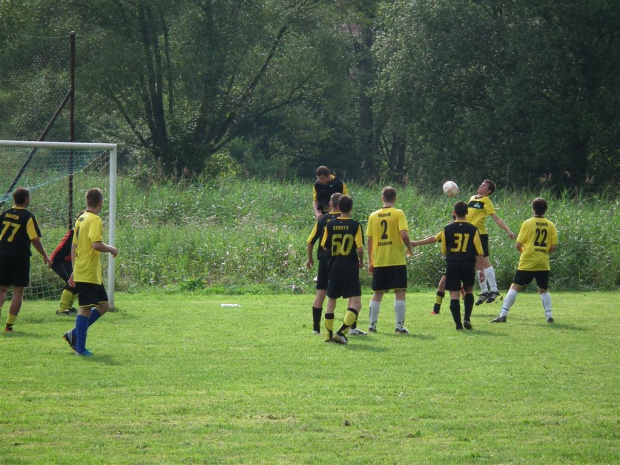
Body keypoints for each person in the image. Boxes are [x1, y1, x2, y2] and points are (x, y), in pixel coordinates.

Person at [413, 201, 485, 330]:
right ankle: (467, 319)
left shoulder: (447, 229)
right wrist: (482, 270)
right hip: (468, 263)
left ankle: (458, 324)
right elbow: (479, 252)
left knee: (454, 294)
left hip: (453, 263)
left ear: (454, 213)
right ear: (467, 213)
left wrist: (416, 243)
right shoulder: (473, 229)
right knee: (469, 291)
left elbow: (443, 247)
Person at [63, 188, 118, 356]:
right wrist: (111, 249)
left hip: (86, 270)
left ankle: (74, 334)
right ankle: (80, 349)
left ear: (87, 201)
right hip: (87, 271)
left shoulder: (80, 219)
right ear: (101, 203)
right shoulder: (94, 220)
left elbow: (74, 247)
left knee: (104, 306)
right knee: (85, 309)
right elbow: (96, 244)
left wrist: (74, 270)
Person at [491, 197, 558, 324]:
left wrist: (526, 252)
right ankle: (549, 316)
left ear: (533, 209)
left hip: (527, 261)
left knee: (515, 286)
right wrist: (543, 253)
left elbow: (518, 245)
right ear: (545, 209)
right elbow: (553, 246)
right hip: (543, 262)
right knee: (543, 289)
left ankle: (503, 315)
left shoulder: (527, 223)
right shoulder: (551, 225)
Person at [0, 187, 51, 332]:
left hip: (2, 254)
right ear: (26, 199)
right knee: (18, 291)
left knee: (2, 289)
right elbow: (35, 239)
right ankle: (9, 325)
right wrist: (45, 255)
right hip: (19, 256)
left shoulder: (4, 214)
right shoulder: (28, 216)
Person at [366, 186, 413, 334]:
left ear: (382, 198)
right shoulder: (398, 213)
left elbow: (369, 240)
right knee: (399, 291)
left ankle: (372, 325)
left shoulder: (373, 216)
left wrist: (370, 260)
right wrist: (410, 248)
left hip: (380, 259)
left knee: (378, 292)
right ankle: (399, 327)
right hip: (396, 259)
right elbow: (404, 235)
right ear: (395, 199)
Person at [319, 195, 364, 344]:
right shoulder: (355, 225)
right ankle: (341, 332)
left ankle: (327, 335)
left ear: (338, 207)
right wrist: (361, 261)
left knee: (331, 301)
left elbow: (324, 245)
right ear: (351, 208)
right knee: (356, 303)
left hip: (334, 267)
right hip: (350, 267)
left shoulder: (330, 224)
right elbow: (360, 248)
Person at [466, 179, 516, 305]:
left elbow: (496, 218)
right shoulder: (472, 198)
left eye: (484, 186)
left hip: (480, 235)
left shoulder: (486, 201)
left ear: (488, 191)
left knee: (484, 261)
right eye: (481, 184)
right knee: (477, 264)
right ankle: (484, 291)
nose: (481, 186)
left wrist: (508, 230)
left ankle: (494, 290)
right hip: (469, 234)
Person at [306, 192, 342, 334]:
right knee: (349, 293)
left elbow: (310, 241)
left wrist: (310, 259)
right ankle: (351, 327)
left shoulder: (322, 219)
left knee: (320, 292)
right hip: (340, 260)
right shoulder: (346, 220)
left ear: (330, 204)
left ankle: (316, 328)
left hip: (324, 260)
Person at [50, 216, 83, 315]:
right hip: (58, 261)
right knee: (72, 282)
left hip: (66, 261)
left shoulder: (81, 233)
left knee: (76, 282)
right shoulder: (73, 233)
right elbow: (72, 249)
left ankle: (68, 307)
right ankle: (61, 309)